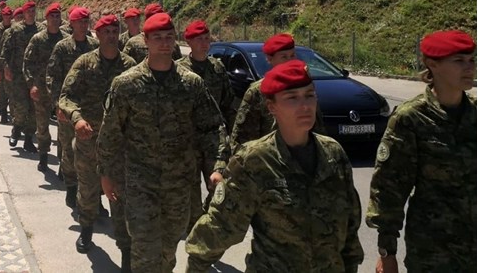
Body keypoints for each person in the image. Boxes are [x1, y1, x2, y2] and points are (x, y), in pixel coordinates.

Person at [186, 59, 364, 272]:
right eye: (292, 98)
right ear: (272, 107)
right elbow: (220, 228)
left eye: (309, 95)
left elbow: (350, 225)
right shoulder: (253, 160)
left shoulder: (333, 153)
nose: (305, 106)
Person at [98, 12, 224, 273]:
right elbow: (111, 133)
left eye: (169, 37)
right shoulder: (126, 84)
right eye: (157, 38)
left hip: (179, 185)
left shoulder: (191, 83)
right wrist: (105, 173)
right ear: (145, 40)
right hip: (140, 183)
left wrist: (217, 165)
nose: (164, 43)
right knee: (144, 250)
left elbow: (212, 127)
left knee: (167, 251)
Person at [366, 30, 476, 273]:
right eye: (459, 61)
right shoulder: (411, 119)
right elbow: (389, 189)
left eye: (472, 60)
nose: (469, 68)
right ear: (432, 65)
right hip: (434, 252)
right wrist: (387, 253)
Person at [58, 14, 136, 262]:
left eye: (115, 31)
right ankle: (86, 231)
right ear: (98, 35)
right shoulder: (84, 63)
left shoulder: (130, 65)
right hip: (89, 139)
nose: (112, 36)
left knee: (120, 197)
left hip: (119, 145)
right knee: (88, 190)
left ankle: (125, 250)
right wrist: (77, 118)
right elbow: (66, 96)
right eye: (107, 32)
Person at [176, 20, 237, 232]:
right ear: (188, 42)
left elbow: (229, 102)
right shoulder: (179, 71)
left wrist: (232, 134)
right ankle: (195, 230)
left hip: (214, 138)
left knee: (219, 186)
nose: (204, 43)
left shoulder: (217, 67)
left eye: (207, 38)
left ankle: (206, 217)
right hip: (189, 141)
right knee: (190, 190)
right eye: (199, 39)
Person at [230, 33, 325, 150]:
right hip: (270, 158)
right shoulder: (258, 91)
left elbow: (318, 128)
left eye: (292, 55)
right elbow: (242, 138)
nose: (290, 61)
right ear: (270, 59)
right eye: (284, 57)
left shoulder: (304, 86)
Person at [47, 6, 99, 208]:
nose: (84, 25)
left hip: (93, 109)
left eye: (86, 22)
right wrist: (58, 104)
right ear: (72, 24)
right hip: (69, 108)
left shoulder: (95, 45)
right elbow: (52, 76)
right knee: (69, 151)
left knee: (94, 154)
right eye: (80, 22)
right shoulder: (62, 47)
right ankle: (71, 187)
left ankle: (93, 197)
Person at [23, 2, 67, 171]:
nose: (55, 20)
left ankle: (64, 163)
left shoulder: (65, 39)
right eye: (52, 17)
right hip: (41, 89)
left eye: (58, 17)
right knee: (42, 125)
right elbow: (27, 63)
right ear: (46, 18)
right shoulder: (38, 39)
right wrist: (31, 84)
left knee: (64, 129)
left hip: (61, 91)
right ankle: (43, 156)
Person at [0, 1, 44, 152]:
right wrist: (5, 68)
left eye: (33, 11)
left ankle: (29, 139)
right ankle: (16, 128)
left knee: (33, 109)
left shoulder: (41, 30)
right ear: (23, 14)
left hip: (35, 76)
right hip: (18, 75)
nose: (31, 13)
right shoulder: (15, 30)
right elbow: (5, 51)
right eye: (28, 11)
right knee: (21, 106)